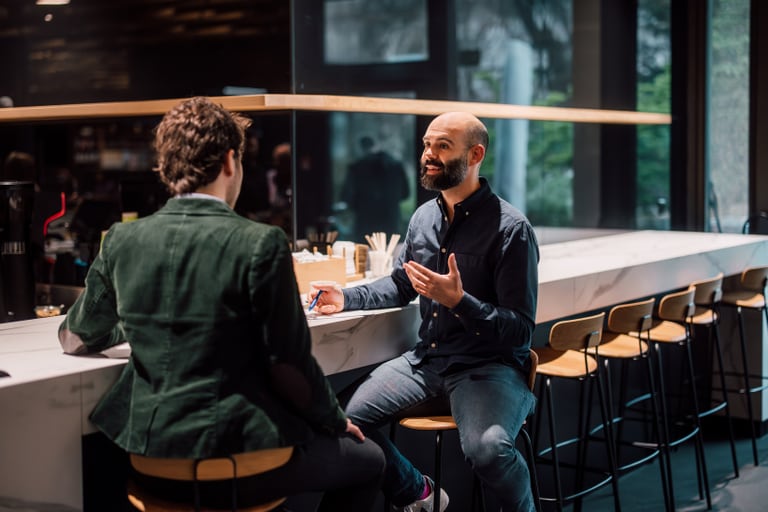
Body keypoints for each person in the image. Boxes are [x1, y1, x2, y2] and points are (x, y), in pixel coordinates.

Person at [57, 97, 385, 511]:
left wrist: (143, 321)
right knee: (372, 460)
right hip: (239, 463)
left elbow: (75, 336)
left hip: (149, 461)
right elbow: (290, 364)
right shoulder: (260, 242)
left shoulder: (122, 240)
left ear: (168, 165)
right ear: (231, 161)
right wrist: (336, 420)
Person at [312, 112, 539, 511]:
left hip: (488, 367)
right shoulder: (423, 218)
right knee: (338, 420)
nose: (428, 154)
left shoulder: (511, 229)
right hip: (427, 361)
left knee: (488, 451)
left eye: (442, 146)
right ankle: (417, 492)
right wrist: (346, 298)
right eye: (426, 144)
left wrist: (460, 302)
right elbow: (401, 283)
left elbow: (520, 330)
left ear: (475, 154)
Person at [341, 135, 410, 242]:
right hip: (390, 220)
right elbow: (405, 193)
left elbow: (347, 196)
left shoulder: (356, 168)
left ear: (361, 148)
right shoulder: (396, 166)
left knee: (364, 254)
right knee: (390, 254)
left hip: (365, 222)